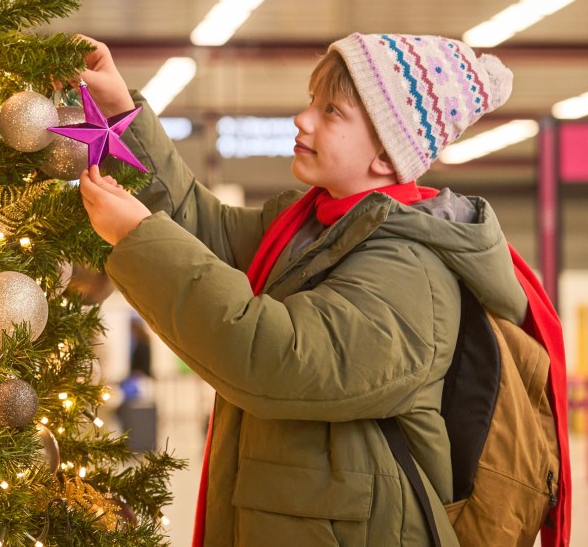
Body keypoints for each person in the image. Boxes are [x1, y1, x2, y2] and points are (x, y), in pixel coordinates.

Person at [71, 33, 569, 546]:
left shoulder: (410, 271)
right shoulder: (308, 226)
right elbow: (204, 230)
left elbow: (276, 358)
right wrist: (117, 114)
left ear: (385, 152)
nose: (303, 119)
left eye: (331, 112)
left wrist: (137, 237)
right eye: (313, 102)